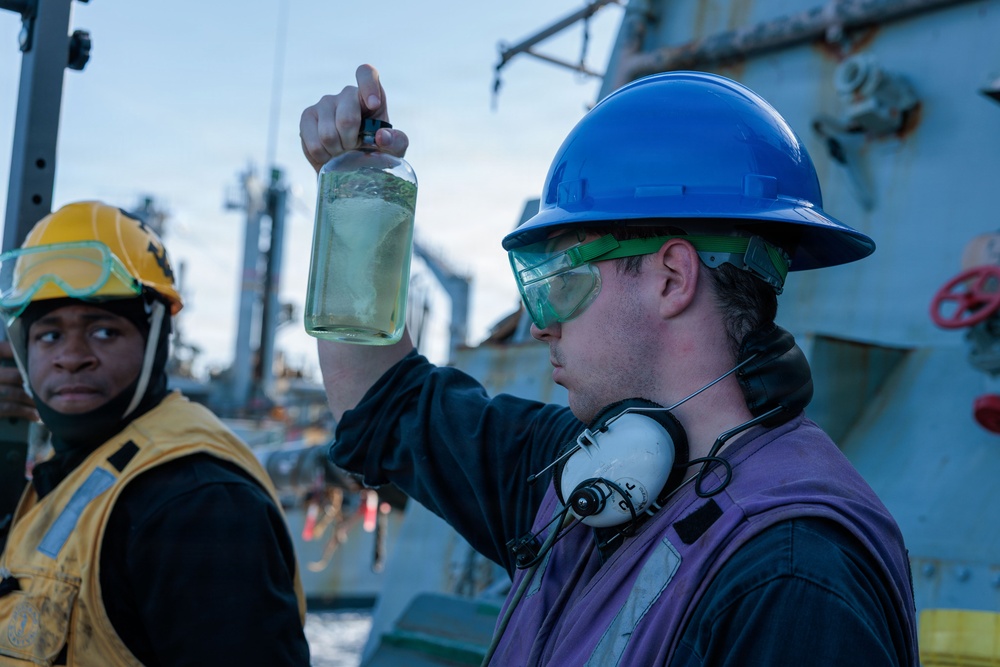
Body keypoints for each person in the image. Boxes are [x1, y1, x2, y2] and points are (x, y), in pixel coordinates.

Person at [299, 65, 919, 666]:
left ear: (672, 277)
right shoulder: (579, 472)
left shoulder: (791, 580)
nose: (541, 323)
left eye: (561, 282)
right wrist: (359, 190)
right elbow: (385, 402)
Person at [0, 201, 310, 666]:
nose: (71, 356)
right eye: (48, 336)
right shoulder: (69, 471)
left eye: (103, 331)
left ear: (156, 340)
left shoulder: (196, 506)